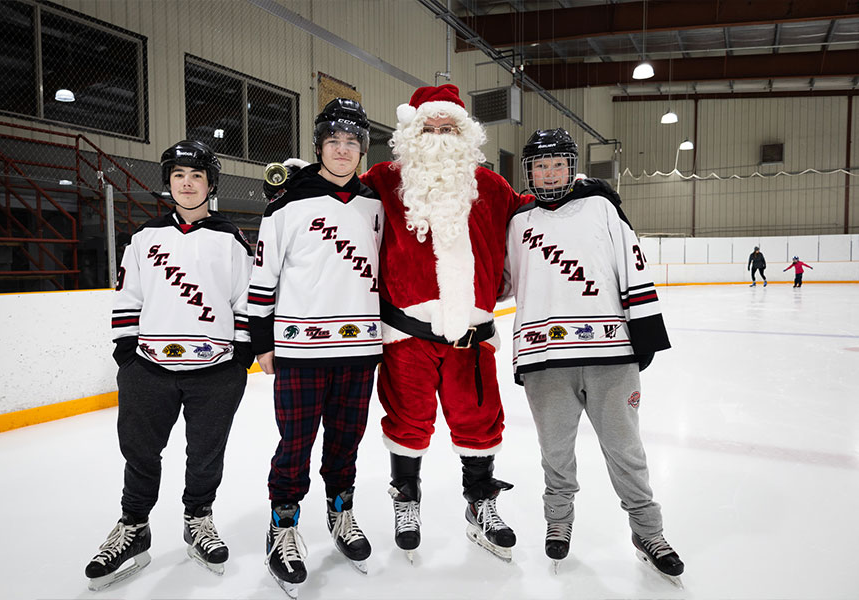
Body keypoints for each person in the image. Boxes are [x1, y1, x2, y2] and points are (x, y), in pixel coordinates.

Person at [501, 128, 684, 583]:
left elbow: (633, 263)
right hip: (544, 360)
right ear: (529, 172)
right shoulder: (518, 223)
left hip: (610, 353)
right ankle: (558, 521)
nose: (548, 173)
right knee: (555, 452)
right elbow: (500, 281)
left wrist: (644, 335)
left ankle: (648, 531)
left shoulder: (601, 208)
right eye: (540, 166)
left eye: (557, 164)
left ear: (571, 166)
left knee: (626, 451)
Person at [359, 84, 531, 562]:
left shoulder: (492, 188)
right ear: (412, 134)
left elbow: (535, 223)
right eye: (428, 129)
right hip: (406, 335)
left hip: (471, 338)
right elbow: (337, 200)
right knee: (407, 421)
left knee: (478, 421)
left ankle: (480, 503)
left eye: (447, 128)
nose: (437, 137)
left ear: (465, 133)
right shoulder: (384, 180)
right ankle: (406, 500)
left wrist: (578, 196)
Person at [85, 140, 254, 590]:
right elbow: (128, 298)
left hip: (215, 370)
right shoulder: (144, 238)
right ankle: (134, 527)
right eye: (179, 175)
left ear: (210, 183)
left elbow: (245, 301)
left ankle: (198, 518)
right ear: (169, 183)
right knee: (140, 453)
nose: (187, 183)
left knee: (204, 455)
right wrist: (127, 355)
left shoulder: (231, 239)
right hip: (149, 368)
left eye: (196, 176)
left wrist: (239, 357)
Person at [249, 99, 383, 596]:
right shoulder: (286, 205)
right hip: (300, 348)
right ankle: (283, 524)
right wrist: (261, 341)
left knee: (346, 439)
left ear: (362, 149)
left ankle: (340, 512)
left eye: (352, 142)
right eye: (334, 141)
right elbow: (263, 278)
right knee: (296, 443)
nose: (343, 150)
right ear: (319, 147)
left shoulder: (374, 205)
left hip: (361, 346)